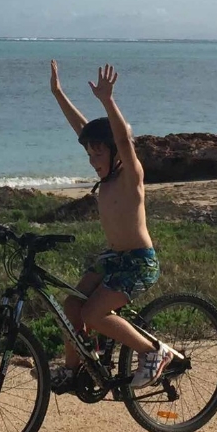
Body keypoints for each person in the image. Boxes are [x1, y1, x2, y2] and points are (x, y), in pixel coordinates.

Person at [49, 60, 177, 389]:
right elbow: (84, 131)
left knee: (94, 314)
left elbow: (121, 139)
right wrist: (59, 94)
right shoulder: (105, 175)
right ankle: (75, 369)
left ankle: (153, 352)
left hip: (138, 262)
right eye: (89, 157)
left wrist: (107, 101)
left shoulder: (130, 175)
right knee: (73, 305)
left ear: (116, 155)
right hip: (112, 258)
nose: (93, 162)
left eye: (98, 156)